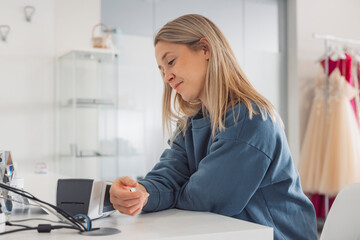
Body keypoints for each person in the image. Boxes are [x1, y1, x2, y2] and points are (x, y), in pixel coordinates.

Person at [109, 14, 317, 240]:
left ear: (205, 49)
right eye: (161, 70)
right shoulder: (190, 125)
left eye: (170, 62)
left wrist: (170, 192)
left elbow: (205, 200)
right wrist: (140, 192)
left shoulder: (251, 119)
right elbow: (168, 176)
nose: (167, 77)